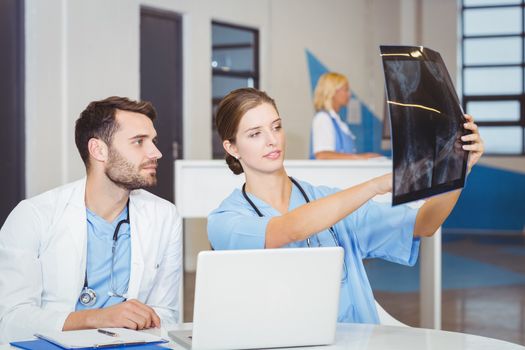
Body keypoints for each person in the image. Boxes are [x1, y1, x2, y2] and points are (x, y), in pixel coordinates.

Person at [208, 88, 483, 323]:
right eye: (255, 133)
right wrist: (375, 185)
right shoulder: (226, 220)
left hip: (359, 339)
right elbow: (287, 230)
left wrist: (459, 169)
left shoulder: (329, 201)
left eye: (276, 126)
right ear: (232, 147)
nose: (272, 139)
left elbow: (424, 223)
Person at [0, 97, 182, 342]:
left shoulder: (165, 216)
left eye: (153, 141)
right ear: (98, 150)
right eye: (139, 141)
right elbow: (10, 320)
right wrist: (97, 318)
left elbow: (166, 314)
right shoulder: (33, 215)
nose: (156, 153)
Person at [311, 72, 381, 160]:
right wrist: (359, 158)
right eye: (346, 89)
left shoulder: (337, 120)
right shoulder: (322, 118)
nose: (349, 94)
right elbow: (322, 155)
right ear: (332, 92)